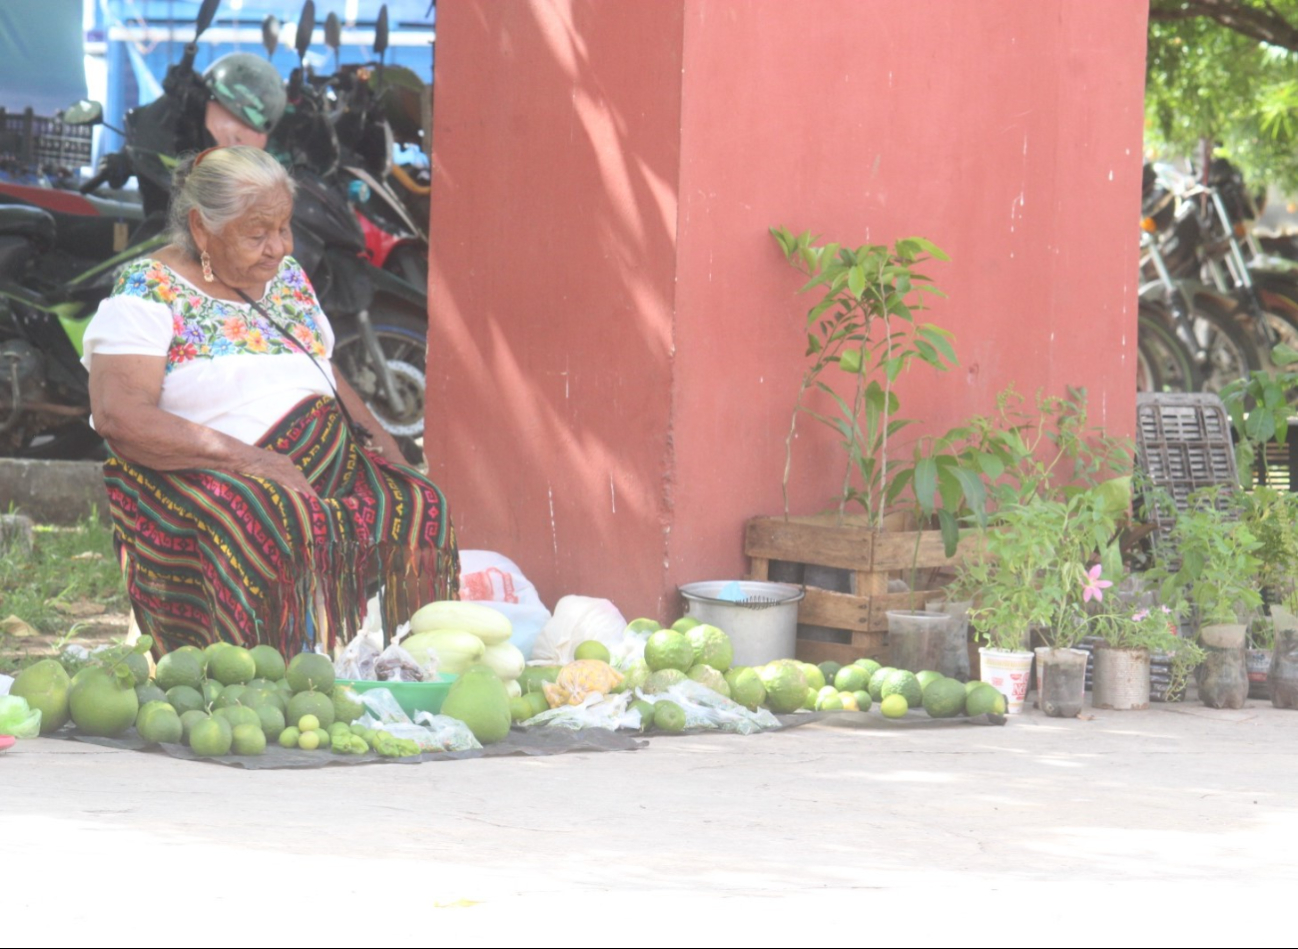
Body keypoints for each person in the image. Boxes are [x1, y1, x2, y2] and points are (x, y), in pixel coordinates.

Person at [81, 145, 457, 657]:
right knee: (270, 519)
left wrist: (388, 446)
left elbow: (322, 368)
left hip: (318, 465)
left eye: (284, 227)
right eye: (258, 234)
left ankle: (405, 666)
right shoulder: (148, 290)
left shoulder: (286, 279)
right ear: (200, 228)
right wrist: (254, 459)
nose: (278, 247)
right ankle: (264, 679)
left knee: (417, 503)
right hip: (216, 473)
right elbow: (119, 417)